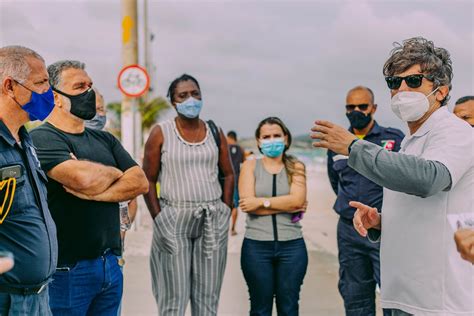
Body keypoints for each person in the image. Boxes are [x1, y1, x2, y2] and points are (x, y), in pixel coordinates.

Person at [311, 37, 473, 315]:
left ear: (441, 91)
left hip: (437, 303)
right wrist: (382, 222)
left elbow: (428, 178)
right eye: (393, 83)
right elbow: (424, 209)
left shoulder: (456, 132)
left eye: (413, 82)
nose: (401, 90)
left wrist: (353, 147)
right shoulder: (409, 142)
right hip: (399, 295)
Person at [30, 60, 148, 316]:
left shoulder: (105, 139)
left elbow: (140, 182)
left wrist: (98, 188)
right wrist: (116, 176)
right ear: (56, 97)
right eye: (79, 86)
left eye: (90, 85)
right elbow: (83, 180)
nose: (89, 93)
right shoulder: (43, 138)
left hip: (110, 264)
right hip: (68, 272)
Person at [143, 74, 234, 316]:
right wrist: (159, 218)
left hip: (212, 218)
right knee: (173, 296)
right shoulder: (161, 133)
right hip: (174, 218)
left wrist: (225, 210)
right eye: (183, 95)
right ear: (173, 102)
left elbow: (229, 174)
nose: (190, 99)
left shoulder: (214, 131)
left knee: (208, 296)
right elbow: (148, 179)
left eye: (195, 94)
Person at [327, 86, 404, 316]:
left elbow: (404, 179)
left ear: (374, 108)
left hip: (385, 230)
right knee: (355, 296)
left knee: (394, 295)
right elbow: (335, 181)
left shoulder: (393, 138)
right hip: (349, 232)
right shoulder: (337, 143)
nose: (356, 111)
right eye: (351, 107)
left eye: (362, 106)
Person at [0, 45, 58, 316]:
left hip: (38, 298)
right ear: (10, 86)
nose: (50, 93)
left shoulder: (25, 140)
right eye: (41, 83)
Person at [239, 116, 308, 316]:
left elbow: (297, 201)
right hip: (256, 247)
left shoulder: (296, 166)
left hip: (292, 246)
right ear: (259, 142)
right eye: (266, 136)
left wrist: (261, 202)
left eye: (276, 135)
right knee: (260, 308)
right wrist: (286, 204)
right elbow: (246, 204)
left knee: (289, 307)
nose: (272, 140)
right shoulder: (250, 166)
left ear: (286, 138)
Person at [226, 130, 245, 235]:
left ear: (229, 137)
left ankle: (224, 228)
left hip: (227, 180)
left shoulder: (225, 148)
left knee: (225, 205)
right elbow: (244, 163)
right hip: (237, 179)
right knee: (235, 205)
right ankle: (232, 229)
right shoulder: (241, 149)